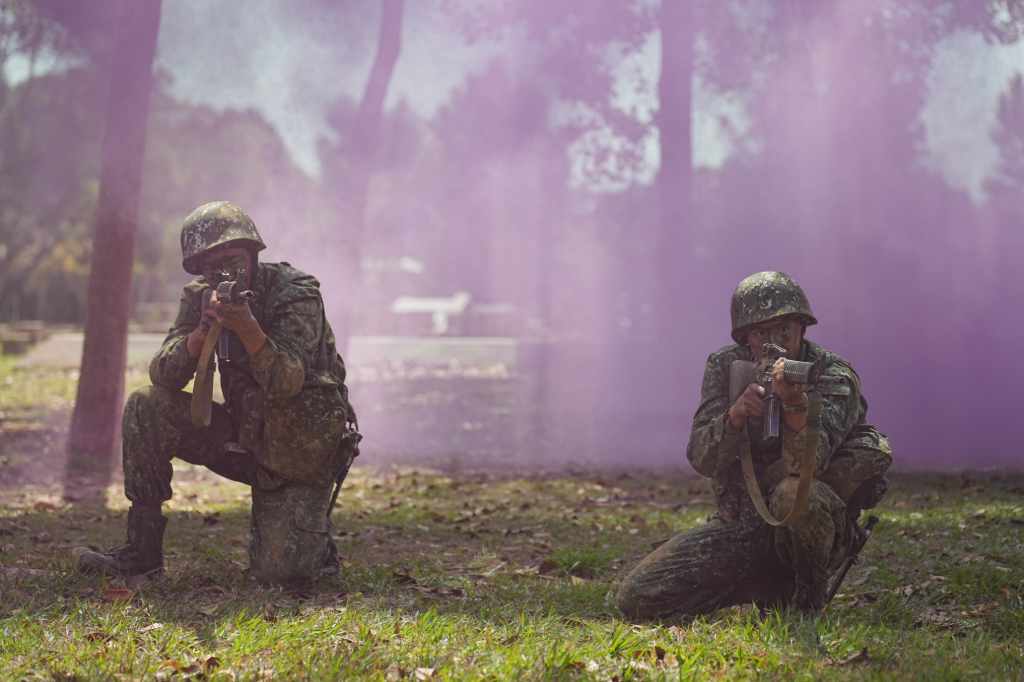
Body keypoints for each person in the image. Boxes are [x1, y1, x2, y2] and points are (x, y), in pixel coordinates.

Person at [79, 201, 358, 589]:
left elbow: (287, 381)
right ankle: (140, 551)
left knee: (282, 578)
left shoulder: (294, 293)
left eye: (232, 259)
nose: (223, 272)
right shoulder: (199, 297)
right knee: (146, 405)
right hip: (242, 439)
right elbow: (163, 374)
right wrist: (197, 337)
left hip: (296, 451)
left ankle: (312, 539)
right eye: (211, 266)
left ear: (253, 254)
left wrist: (247, 328)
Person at [617, 271, 891, 618]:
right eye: (761, 332)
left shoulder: (831, 374)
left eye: (784, 330)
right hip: (743, 530)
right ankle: (768, 587)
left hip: (809, 531)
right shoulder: (725, 366)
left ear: (802, 328)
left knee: (793, 492)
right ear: (745, 337)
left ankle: (802, 605)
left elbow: (808, 465)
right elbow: (701, 458)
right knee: (637, 597)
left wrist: (794, 405)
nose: (773, 342)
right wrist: (735, 415)